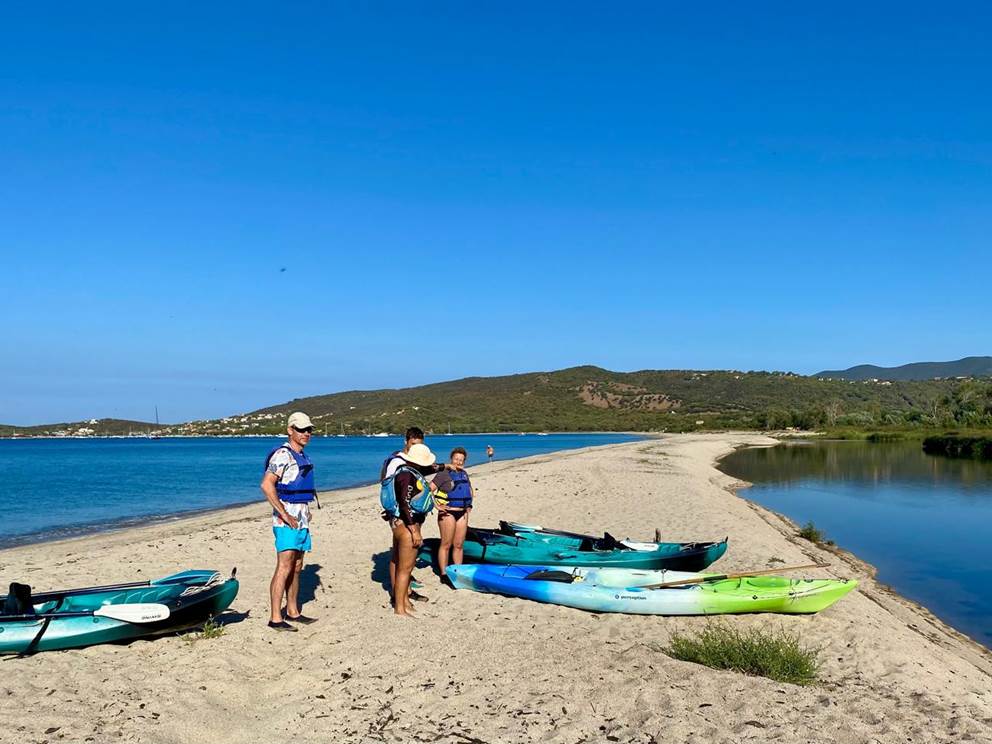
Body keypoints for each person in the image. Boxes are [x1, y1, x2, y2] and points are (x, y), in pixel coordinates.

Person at [261, 412, 319, 632]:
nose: (306, 433)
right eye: (301, 429)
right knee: (284, 566)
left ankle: (293, 611)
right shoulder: (282, 455)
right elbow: (267, 485)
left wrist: (306, 510)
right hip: (287, 519)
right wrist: (284, 514)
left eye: (308, 430)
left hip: (302, 516)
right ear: (290, 430)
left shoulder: (302, 455)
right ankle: (276, 617)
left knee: (296, 566)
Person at [381, 442, 440, 616]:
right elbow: (405, 503)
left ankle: (404, 602)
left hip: (400, 524)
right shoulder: (407, 475)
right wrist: (414, 530)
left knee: (401, 565)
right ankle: (400, 607)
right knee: (405, 569)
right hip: (407, 526)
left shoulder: (406, 472)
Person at [435, 447, 475, 584]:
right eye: (456, 459)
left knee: (458, 545)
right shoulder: (443, 474)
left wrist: (469, 505)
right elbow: (428, 489)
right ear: (451, 459)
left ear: (464, 461)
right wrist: (437, 505)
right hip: (448, 513)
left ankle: (458, 571)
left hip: (462, 512)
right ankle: (444, 574)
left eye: (461, 460)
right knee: (446, 544)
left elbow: (469, 489)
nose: (458, 462)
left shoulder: (464, 473)